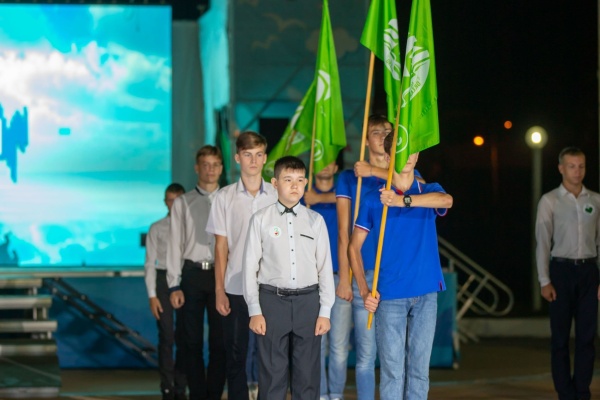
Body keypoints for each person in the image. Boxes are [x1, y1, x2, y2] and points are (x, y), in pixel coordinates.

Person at [349, 133, 452, 400]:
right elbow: (353, 247)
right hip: (389, 294)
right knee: (393, 373)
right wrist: (364, 290)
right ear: (387, 156)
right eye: (399, 151)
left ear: (417, 155)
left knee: (419, 372)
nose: (406, 157)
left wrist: (402, 200)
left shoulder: (429, 190)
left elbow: (447, 201)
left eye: (411, 151)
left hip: (426, 291)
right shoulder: (373, 198)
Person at [242, 155, 336, 399]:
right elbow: (250, 267)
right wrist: (254, 309)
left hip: (308, 303)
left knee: (307, 376)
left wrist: (325, 311)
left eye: (300, 180)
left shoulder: (315, 220)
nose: (295, 185)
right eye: (288, 179)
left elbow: (325, 268)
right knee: (272, 375)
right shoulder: (261, 219)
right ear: (275, 183)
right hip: (272, 302)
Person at [206, 131, 278, 400]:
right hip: (236, 286)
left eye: (258, 154)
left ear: (265, 158)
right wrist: (219, 291)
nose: (253, 160)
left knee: (270, 356)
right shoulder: (224, 197)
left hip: (271, 286)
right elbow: (220, 247)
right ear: (237, 158)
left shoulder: (277, 194)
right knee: (236, 355)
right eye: (248, 155)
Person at [335, 114, 394, 400]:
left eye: (387, 132)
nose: (382, 137)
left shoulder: (402, 175)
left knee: (395, 352)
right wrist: (346, 279)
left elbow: (416, 185)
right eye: (376, 132)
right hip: (364, 272)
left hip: (393, 273)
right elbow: (344, 232)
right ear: (366, 140)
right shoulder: (350, 178)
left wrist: (374, 171)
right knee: (366, 353)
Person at [535, 146, 600, 400]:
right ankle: (565, 392)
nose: (577, 171)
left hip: (588, 271)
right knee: (560, 338)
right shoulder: (550, 200)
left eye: (581, 166)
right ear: (561, 168)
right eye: (572, 166)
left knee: (587, 338)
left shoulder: (595, 200)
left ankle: (582, 391)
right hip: (561, 271)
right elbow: (542, 242)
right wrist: (544, 280)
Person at [167, 146, 226, 400]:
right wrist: (173, 284)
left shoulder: (230, 199)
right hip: (191, 275)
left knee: (220, 343)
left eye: (215, 164)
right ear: (197, 168)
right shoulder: (183, 202)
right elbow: (174, 244)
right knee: (190, 343)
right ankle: (198, 395)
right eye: (205, 164)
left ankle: (214, 395)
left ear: (221, 168)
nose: (210, 169)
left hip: (221, 276)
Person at [304, 161, 352, 400]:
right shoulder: (303, 196)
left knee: (339, 346)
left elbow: (352, 199)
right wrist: (309, 198)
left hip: (340, 277)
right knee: (317, 343)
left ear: (336, 168)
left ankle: (336, 394)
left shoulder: (345, 192)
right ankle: (321, 394)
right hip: (311, 280)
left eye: (330, 161)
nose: (324, 165)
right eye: (320, 159)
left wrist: (319, 198)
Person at [144, 183, 187, 400]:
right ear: (165, 202)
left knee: (186, 336)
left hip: (186, 279)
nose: (174, 204)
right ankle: (167, 388)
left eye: (178, 200)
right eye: (170, 200)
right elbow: (149, 263)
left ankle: (182, 387)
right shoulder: (157, 228)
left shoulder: (193, 226)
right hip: (163, 281)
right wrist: (152, 295)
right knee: (167, 335)